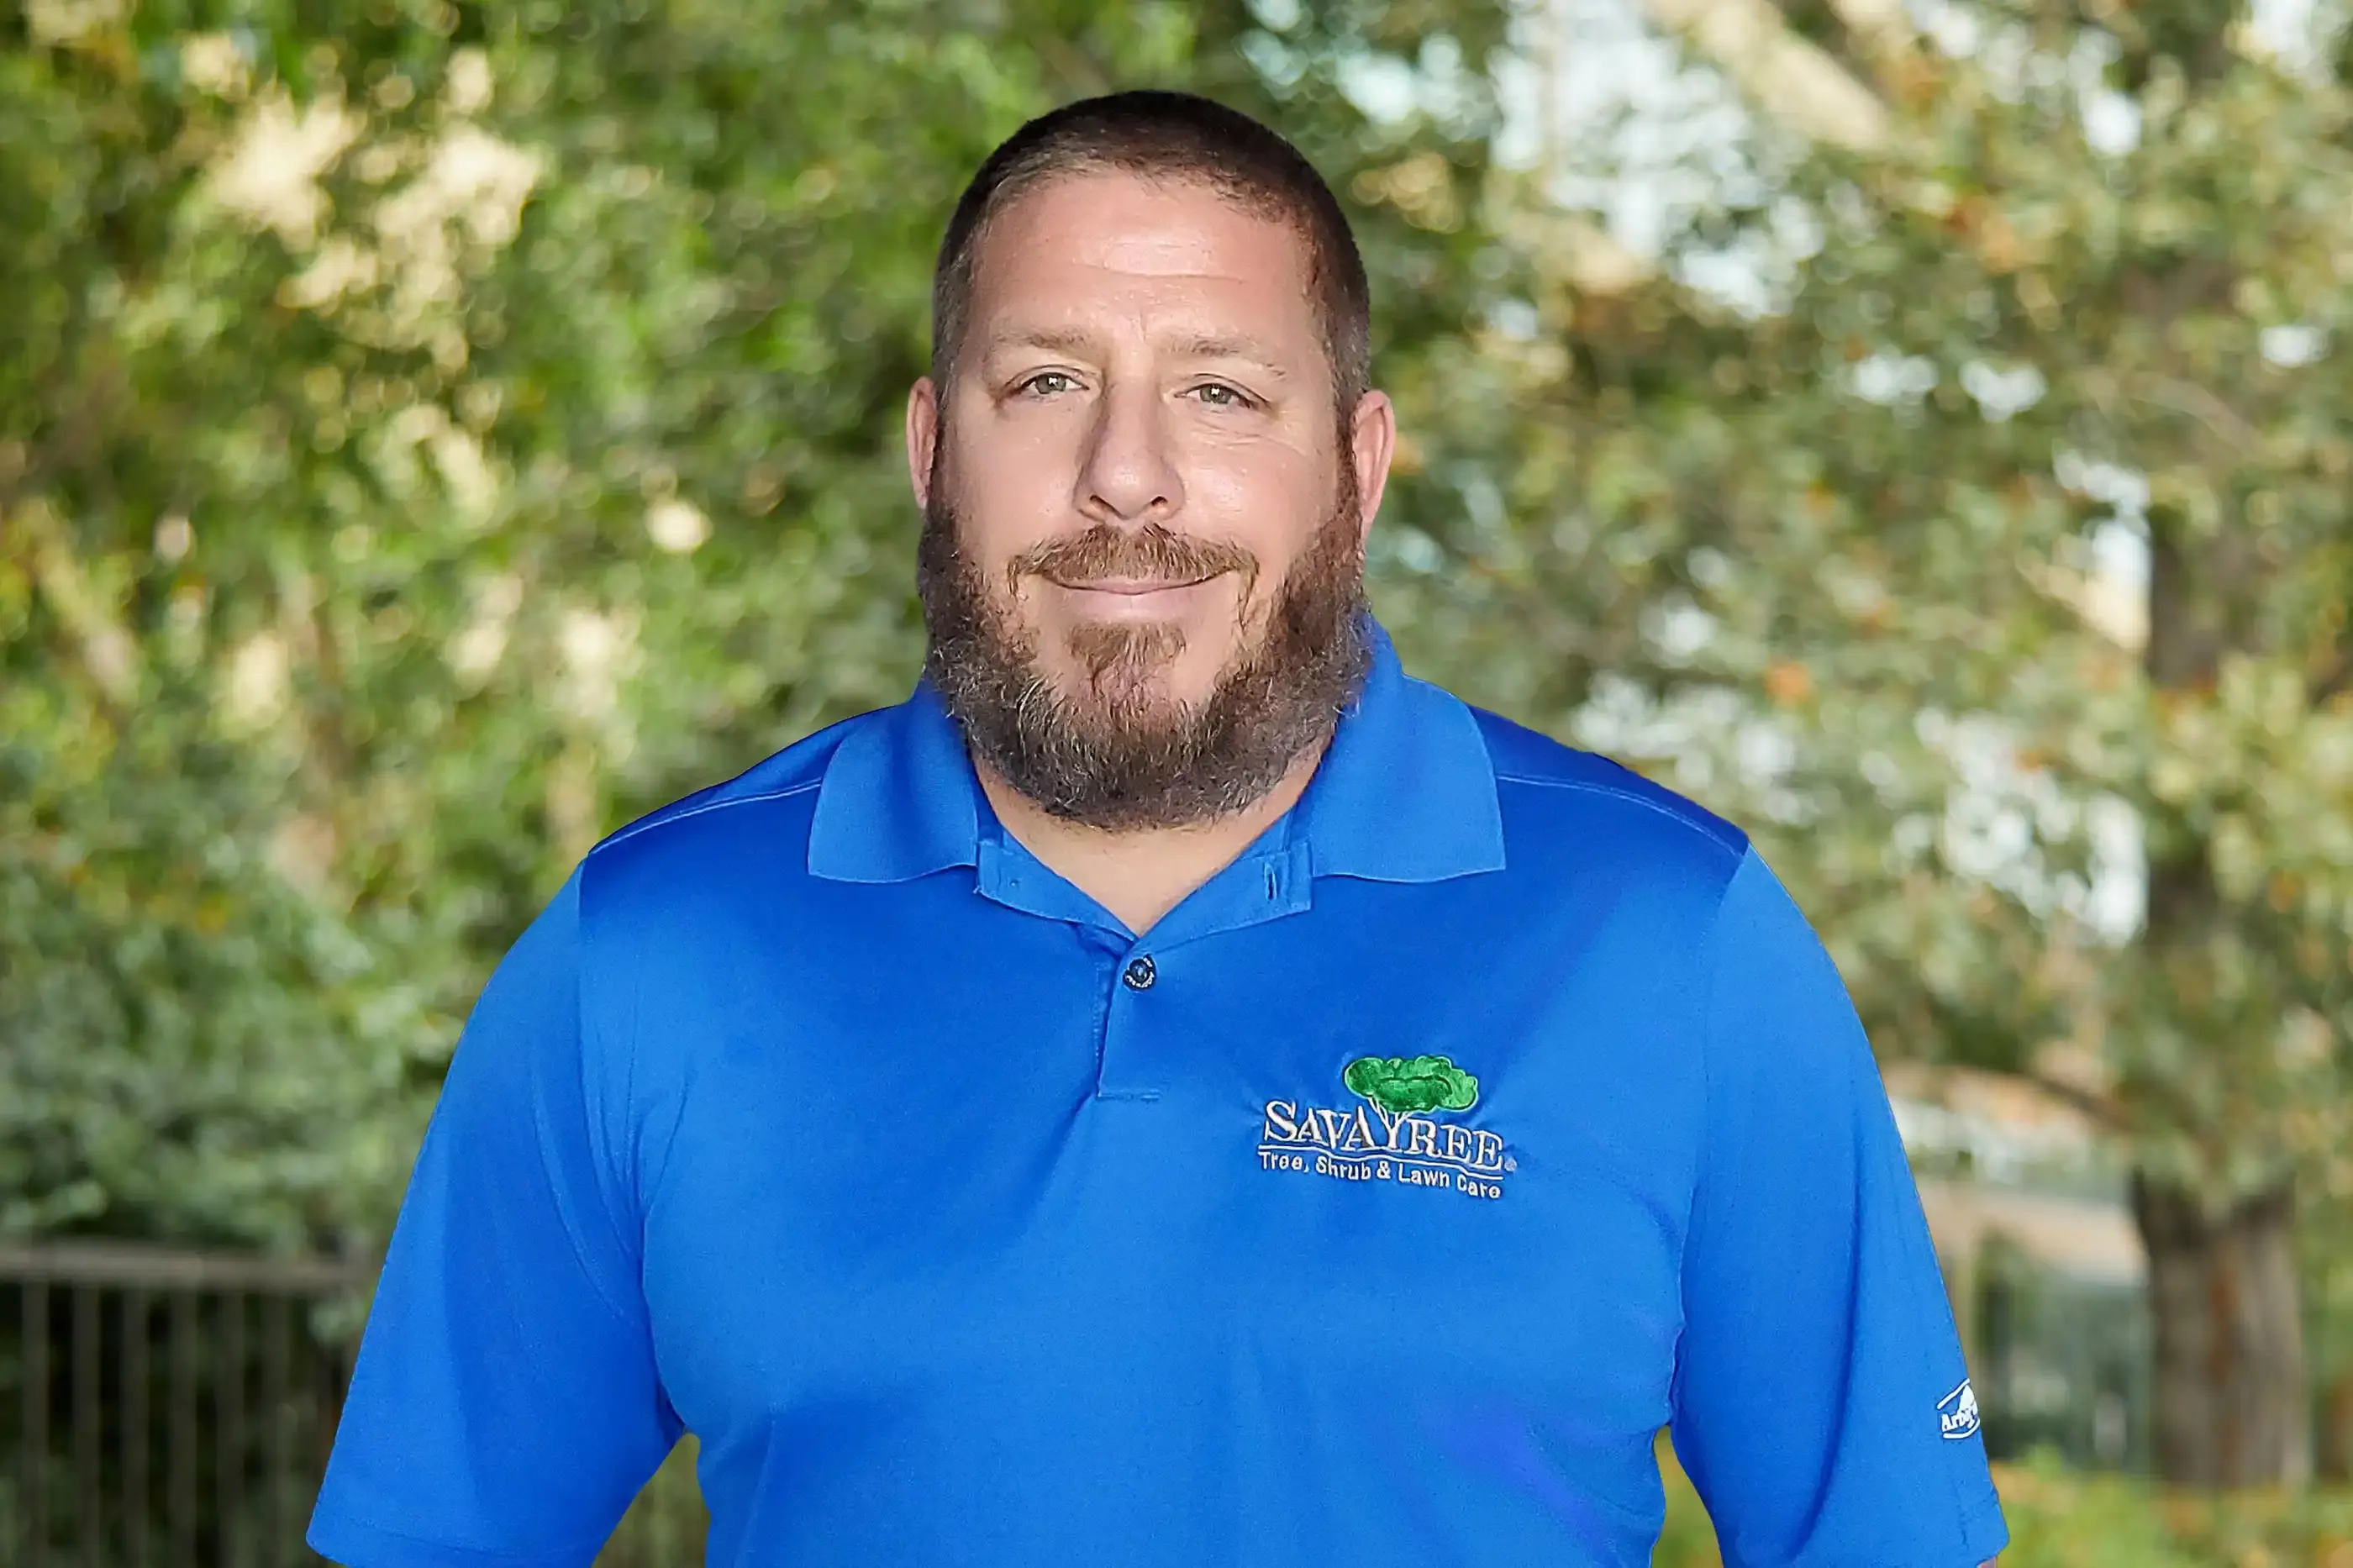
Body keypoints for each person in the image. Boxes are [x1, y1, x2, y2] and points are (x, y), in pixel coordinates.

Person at [308, 89, 2008, 1568]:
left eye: (1219, 393)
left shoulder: (1671, 937)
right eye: (1046, 381)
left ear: (1357, 466)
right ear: (931, 451)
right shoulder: (645, 952)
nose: (1126, 476)